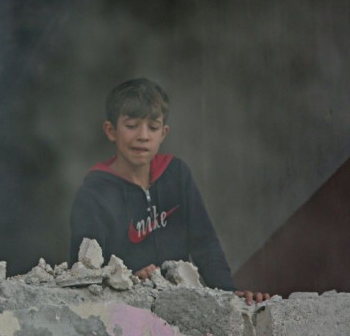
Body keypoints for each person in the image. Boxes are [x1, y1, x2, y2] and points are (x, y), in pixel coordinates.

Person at [69, 78, 269, 304]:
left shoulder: (176, 174)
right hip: (127, 310)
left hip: (182, 304)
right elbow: (82, 271)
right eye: (132, 125)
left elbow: (205, 244)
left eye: (153, 127)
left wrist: (230, 296)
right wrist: (128, 280)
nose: (143, 135)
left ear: (163, 133)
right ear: (111, 130)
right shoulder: (95, 191)